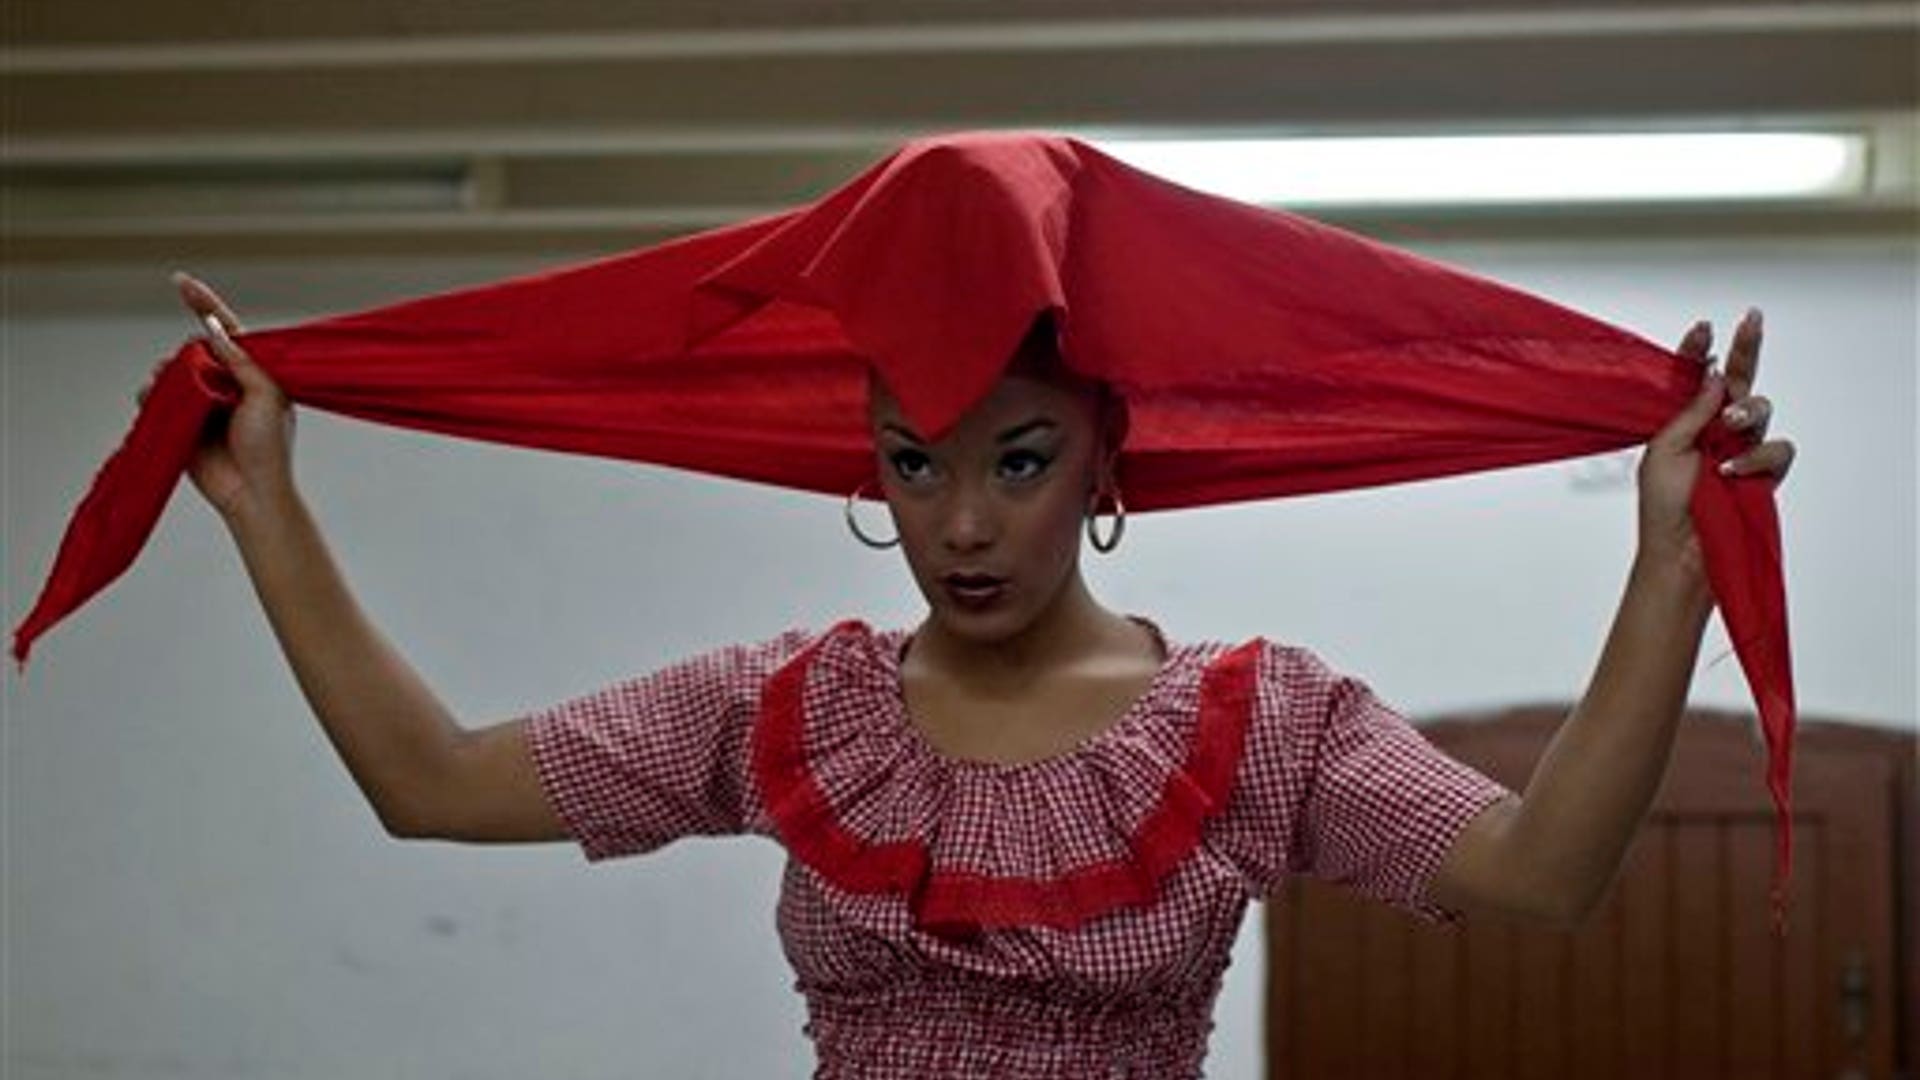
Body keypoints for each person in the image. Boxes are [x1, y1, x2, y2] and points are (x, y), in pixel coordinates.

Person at [164, 269, 1794, 1078]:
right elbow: (431, 786)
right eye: (911, 463)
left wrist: (1667, 568)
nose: (961, 521)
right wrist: (268, 510)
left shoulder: (1257, 721)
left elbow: (1548, 871)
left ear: (1106, 465)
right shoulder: (784, 708)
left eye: (1017, 461)